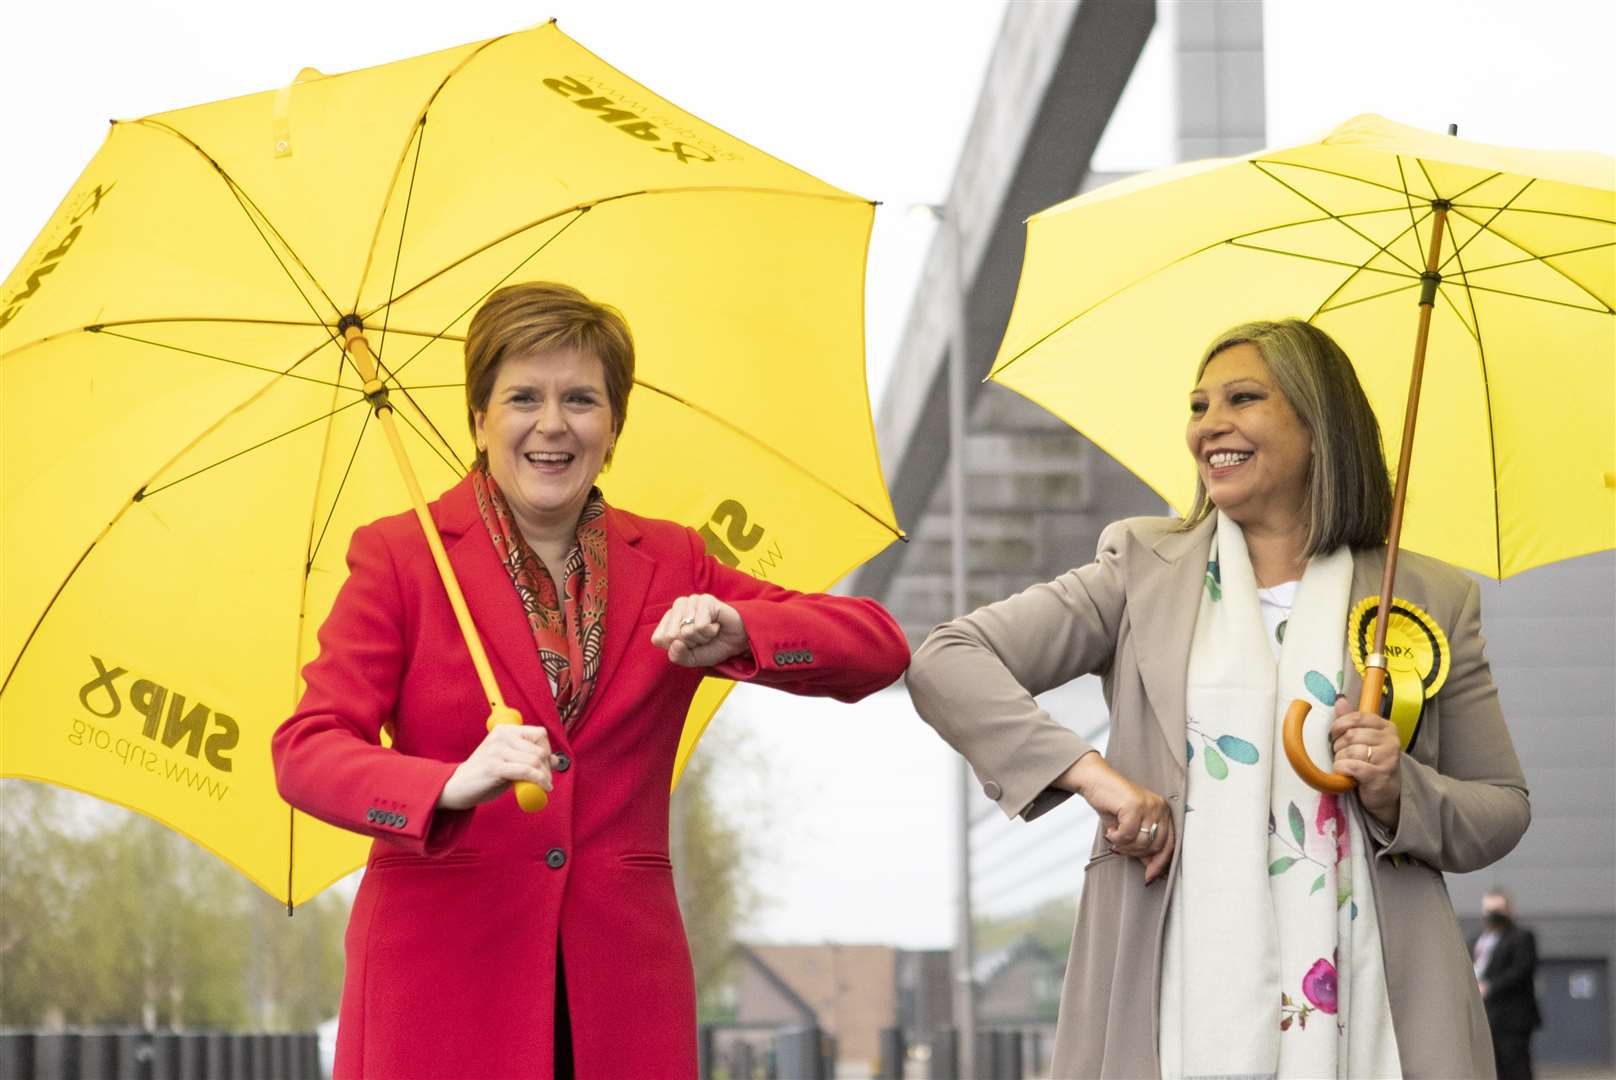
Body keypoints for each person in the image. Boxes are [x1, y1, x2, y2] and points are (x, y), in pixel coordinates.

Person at [272, 282, 910, 1080]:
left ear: (612, 428)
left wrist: (743, 628)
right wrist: (449, 784)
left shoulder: (675, 562)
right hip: (439, 992)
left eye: (581, 399)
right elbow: (306, 750)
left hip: (621, 996)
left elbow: (878, 648)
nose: (552, 424)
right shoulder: (401, 556)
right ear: (478, 420)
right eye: (522, 398)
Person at [907, 319, 1531, 1078]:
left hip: (1375, 1008)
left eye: (1242, 398)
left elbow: (1500, 806)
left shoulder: (1430, 595)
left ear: (1317, 424)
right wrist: (1094, 777)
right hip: (1169, 985)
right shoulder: (1140, 568)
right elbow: (949, 660)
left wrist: (1401, 789)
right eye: (1199, 406)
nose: (1210, 427)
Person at [1473, 889, 1542, 1080]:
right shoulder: (1477, 940)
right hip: (1486, 1019)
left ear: (1508, 910)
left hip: (1512, 1020)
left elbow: (1521, 970)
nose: (1493, 915)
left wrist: (1489, 987)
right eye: (1489, 910)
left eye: (1498, 910)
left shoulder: (1521, 938)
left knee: (1516, 1069)